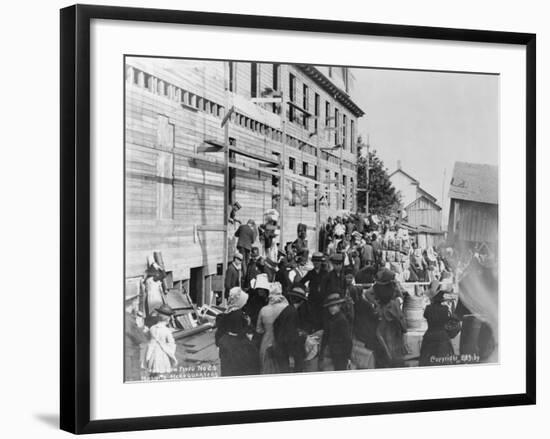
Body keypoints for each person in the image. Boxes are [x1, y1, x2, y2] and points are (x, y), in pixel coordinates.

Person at [215, 287, 260, 377]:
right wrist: (248, 324)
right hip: (238, 346)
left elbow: (219, 332)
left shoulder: (226, 312)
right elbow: (242, 331)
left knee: (227, 370)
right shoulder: (240, 315)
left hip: (226, 344)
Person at [373, 269, 407, 368]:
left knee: (382, 335)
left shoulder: (376, 287)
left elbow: (367, 294)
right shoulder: (393, 287)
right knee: (392, 338)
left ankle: (388, 357)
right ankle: (391, 358)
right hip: (392, 315)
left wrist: (376, 303)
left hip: (384, 314)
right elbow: (401, 297)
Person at [272, 286, 308, 373]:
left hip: (280, 346)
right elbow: (290, 334)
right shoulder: (293, 312)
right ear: (301, 301)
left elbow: (276, 325)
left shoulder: (287, 309)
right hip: (286, 349)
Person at [419, 281, 455, 366]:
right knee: (443, 362)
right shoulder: (445, 309)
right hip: (443, 337)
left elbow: (426, 316)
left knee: (427, 362)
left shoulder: (428, 309)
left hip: (429, 336)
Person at [256, 282, 289, 374]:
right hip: (282, 342)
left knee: (266, 370)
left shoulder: (263, 310)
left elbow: (259, 329)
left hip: (266, 342)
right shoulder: (286, 308)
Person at [320, 293, 353, 371]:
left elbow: (348, 340)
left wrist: (348, 357)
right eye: (329, 306)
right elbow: (326, 335)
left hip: (341, 354)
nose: (331, 308)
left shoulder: (342, 320)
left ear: (339, 306)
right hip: (333, 352)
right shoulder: (331, 318)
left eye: (333, 306)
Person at [145, 304, 177, 378]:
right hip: (163, 356)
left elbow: (149, 340)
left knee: (153, 374)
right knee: (162, 374)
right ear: (168, 319)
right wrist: (169, 348)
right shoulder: (167, 331)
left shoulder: (152, 328)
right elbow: (171, 343)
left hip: (153, 354)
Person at [299, 252, 328, 331]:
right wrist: (306, 289)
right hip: (313, 299)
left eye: (318, 262)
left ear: (321, 262)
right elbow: (301, 282)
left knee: (322, 317)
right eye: (314, 262)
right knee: (313, 317)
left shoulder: (325, 273)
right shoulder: (311, 273)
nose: (316, 264)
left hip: (323, 299)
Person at [125, 291, 148, 381]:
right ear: (132, 304)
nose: (137, 305)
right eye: (136, 303)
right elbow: (137, 337)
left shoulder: (128, 316)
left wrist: (139, 329)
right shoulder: (128, 318)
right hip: (130, 352)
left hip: (129, 351)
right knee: (132, 376)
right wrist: (145, 334)